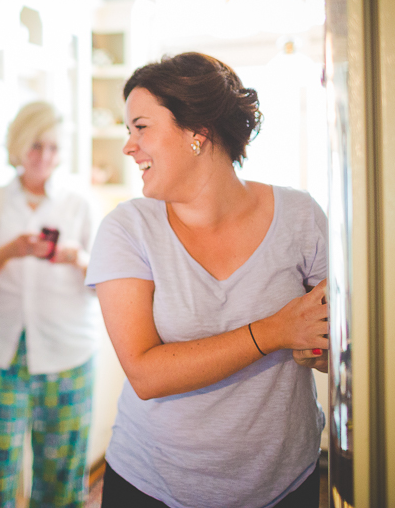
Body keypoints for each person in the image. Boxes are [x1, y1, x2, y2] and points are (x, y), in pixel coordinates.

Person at [85, 52, 329, 508]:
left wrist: (321, 348)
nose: (128, 146)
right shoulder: (128, 228)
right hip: (151, 485)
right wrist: (275, 331)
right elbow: (144, 372)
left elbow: (340, 341)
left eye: (141, 127)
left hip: (284, 485)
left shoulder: (300, 217)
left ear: (198, 132)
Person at [0, 101, 99, 506]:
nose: (45, 157)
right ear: (18, 146)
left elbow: (104, 283)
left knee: (62, 472)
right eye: (36, 146)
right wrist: (11, 250)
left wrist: (75, 257)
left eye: (54, 147)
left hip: (68, 352)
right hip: (2, 354)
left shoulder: (78, 203)